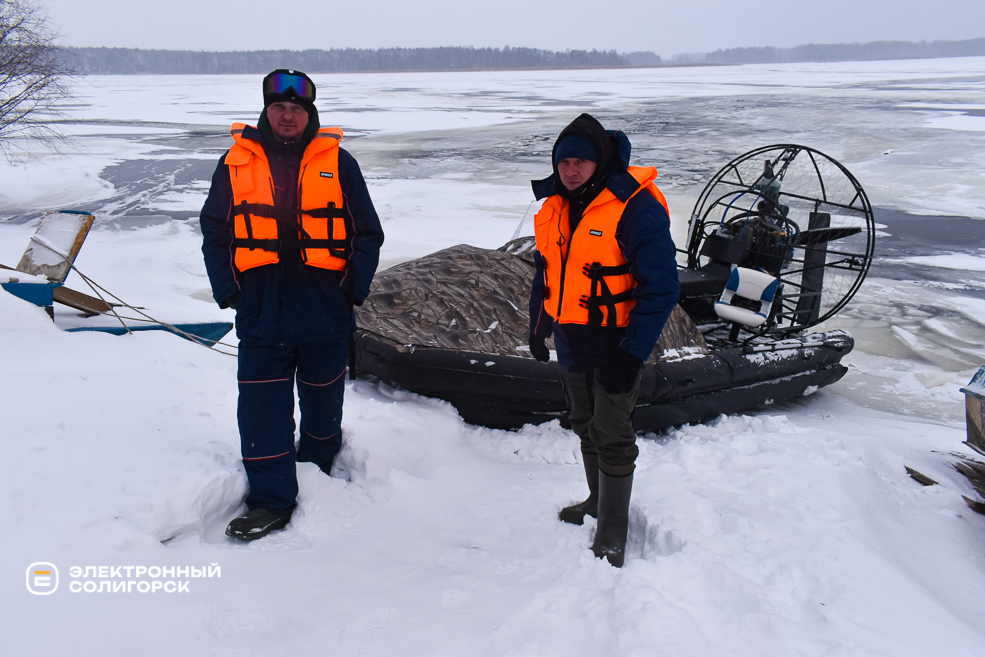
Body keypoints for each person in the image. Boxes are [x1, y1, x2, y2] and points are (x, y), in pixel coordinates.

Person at [200, 70, 384, 541]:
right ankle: (270, 501)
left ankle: (318, 472)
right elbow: (216, 233)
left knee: (324, 406)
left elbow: (367, 233)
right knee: (262, 412)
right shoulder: (234, 163)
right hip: (261, 313)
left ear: (310, 115)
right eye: (279, 108)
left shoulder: (339, 164)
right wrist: (231, 291)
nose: (287, 116)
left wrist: (350, 290)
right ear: (265, 111)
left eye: (296, 109)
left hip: (324, 312)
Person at [528, 113, 680, 567]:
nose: (570, 171)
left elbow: (662, 288)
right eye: (564, 162)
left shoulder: (636, 207)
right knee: (584, 422)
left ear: (600, 163)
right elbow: (546, 273)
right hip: (572, 339)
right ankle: (597, 501)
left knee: (612, 431)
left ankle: (614, 529)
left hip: (616, 343)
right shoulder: (556, 205)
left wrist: (632, 354)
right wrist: (538, 327)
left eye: (581, 162)